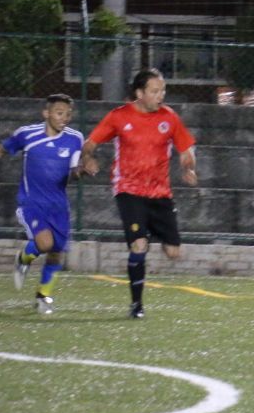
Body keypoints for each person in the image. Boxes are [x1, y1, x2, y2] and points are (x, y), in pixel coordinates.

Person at [80, 69, 198, 319]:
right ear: (139, 93)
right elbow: (89, 144)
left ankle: (147, 229)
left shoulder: (169, 117)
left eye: (163, 90)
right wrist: (88, 159)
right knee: (139, 246)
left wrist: (188, 167)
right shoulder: (119, 117)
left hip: (159, 193)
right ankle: (136, 304)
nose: (161, 95)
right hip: (128, 190)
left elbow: (186, 149)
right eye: (155, 91)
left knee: (173, 252)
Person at [0, 94, 83, 315]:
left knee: (56, 253)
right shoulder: (28, 134)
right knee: (44, 243)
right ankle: (23, 258)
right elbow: (3, 148)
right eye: (59, 112)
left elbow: (74, 172)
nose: (64, 118)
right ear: (46, 113)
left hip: (58, 205)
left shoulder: (75, 139)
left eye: (68, 114)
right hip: (31, 202)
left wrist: (81, 170)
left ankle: (43, 296)